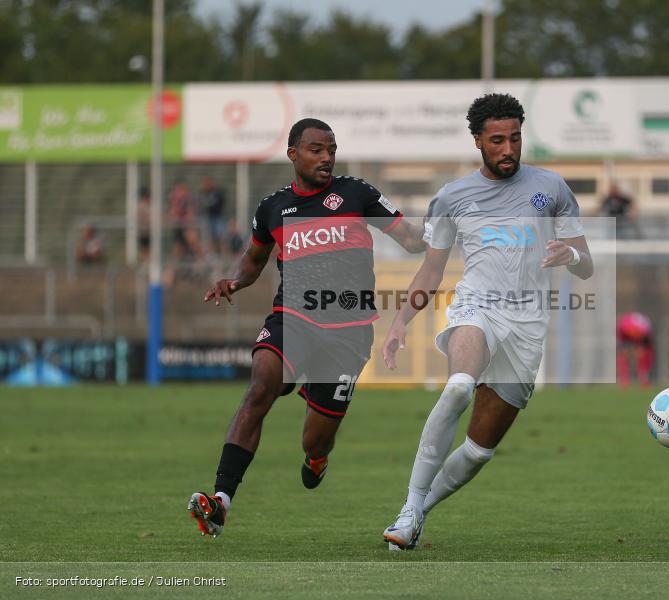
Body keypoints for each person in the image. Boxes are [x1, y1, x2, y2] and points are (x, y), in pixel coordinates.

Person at [188, 118, 426, 538]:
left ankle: (317, 458)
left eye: (331, 149)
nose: (327, 157)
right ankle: (221, 500)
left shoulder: (357, 193)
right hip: (293, 319)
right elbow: (255, 260)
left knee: (316, 440)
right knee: (261, 385)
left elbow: (410, 238)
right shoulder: (274, 207)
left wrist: (440, 228)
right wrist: (235, 281)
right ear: (293, 154)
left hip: (348, 333)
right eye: (316, 149)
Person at [380, 93, 593, 550]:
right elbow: (432, 270)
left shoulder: (552, 188)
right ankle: (408, 507)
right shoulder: (452, 197)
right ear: (477, 140)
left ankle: (420, 511)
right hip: (477, 308)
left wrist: (569, 253)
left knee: (478, 451)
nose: (508, 149)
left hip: (528, 325)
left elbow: (586, 263)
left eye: (515, 138)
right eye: (497, 140)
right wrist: (400, 323)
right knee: (459, 385)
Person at [616, 312, 654, 388]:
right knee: (623, 357)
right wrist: (624, 350)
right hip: (626, 336)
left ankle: (644, 380)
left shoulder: (645, 329)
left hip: (644, 338)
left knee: (643, 358)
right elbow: (621, 341)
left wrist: (641, 349)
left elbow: (645, 342)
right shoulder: (623, 327)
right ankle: (624, 382)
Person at [199, 176, 227, 253]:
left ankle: (224, 256)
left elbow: (219, 204)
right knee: (210, 239)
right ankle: (212, 257)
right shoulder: (203, 193)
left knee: (221, 238)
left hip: (218, 218)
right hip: (209, 218)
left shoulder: (217, 192)